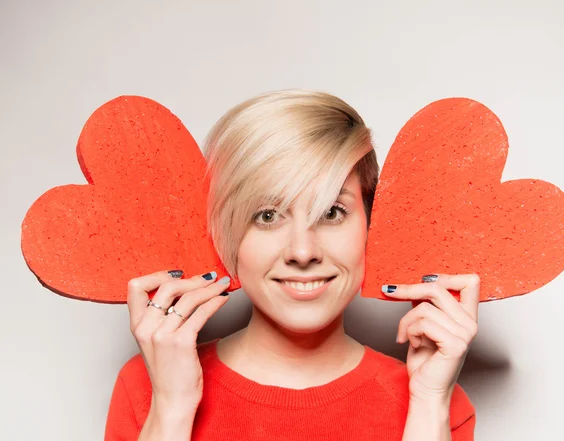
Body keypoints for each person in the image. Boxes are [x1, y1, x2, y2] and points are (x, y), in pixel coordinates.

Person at [104, 89, 480, 441]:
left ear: (371, 223)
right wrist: (172, 408)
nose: (303, 251)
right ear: (225, 231)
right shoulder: (148, 387)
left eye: (332, 212)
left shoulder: (436, 397)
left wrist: (430, 402)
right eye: (267, 216)